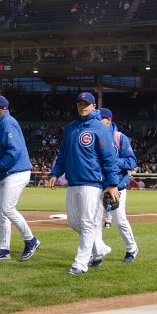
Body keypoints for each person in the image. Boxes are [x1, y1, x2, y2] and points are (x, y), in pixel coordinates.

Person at [48, 92, 120, 276]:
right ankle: (99, 250)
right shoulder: (71, 128)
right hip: (73, 182)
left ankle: (80, 263)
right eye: (80, 103)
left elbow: (110, 159)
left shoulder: (100, 128)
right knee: (73, 221)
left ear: (94, 106)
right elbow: (62, 154)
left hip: (92, 183)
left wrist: (112, 183)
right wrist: (55, 173)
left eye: (86, 104)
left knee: (87, 223)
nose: (82, 106)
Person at [0, 95, 40, 261]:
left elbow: (14, 152)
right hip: (8, 173)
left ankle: (31, 240)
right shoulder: (1, 124)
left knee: (7, 208)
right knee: (1, 211)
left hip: (17, 171)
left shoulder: (7, 123)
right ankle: (3, 250)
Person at [97, 108, 139, 264]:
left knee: (120, 220)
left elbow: (131, 162)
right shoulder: (94, 136)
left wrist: (113, 162)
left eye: (99, 118)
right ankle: (96, 252)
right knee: (92, 221)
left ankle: (131, 248)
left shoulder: (119, 138)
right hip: (98, 185)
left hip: (117, 185)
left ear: (108, 120)